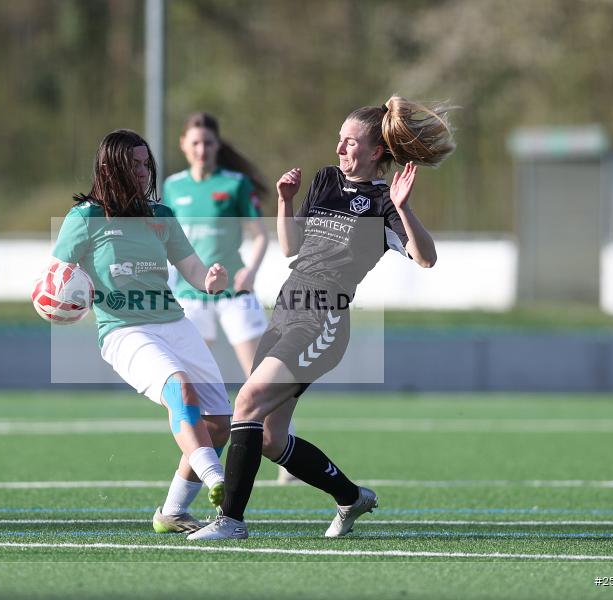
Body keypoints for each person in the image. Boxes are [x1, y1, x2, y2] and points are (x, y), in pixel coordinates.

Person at [188, 96, 456, 540]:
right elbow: (291, 247)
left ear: (375, 152)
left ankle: (230, 522)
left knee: (247, 403)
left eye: (350, 143)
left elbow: (426, 259)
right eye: (338, 140)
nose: (339, 149)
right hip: (287, 308)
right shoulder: (326, 180)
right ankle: (352, 498)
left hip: (322, 321)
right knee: (271, 438)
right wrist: (284, 200)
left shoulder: (383, 203)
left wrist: (404, 207)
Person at [51, 129, 231, 534]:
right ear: (110, 167)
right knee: (181, 390)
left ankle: (171, 513)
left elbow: (194, 270)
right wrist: (58, 303)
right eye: (133, 164)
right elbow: (55, 278)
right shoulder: (85, 219)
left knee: (219, 422)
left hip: (174, 323)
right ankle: (218, 478)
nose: (142, 171)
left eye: (145, 163)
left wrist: (212, 280)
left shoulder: (161, 216)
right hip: (124, 331)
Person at [162, 112, 298, 484]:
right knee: (190, 378)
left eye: (207, 142)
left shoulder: (234, 184)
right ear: (183, 146)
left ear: (217, 146)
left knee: (262, 372)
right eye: (195, 143)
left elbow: (258, 235)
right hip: (192, 294)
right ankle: (199, 453)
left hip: (234, 293)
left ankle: (285, 446)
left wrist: (250, 271)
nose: (201, 149)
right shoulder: (173, 187)